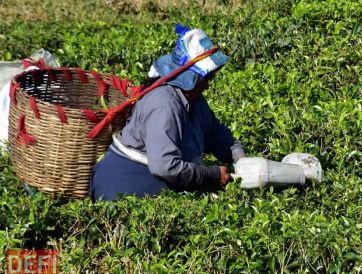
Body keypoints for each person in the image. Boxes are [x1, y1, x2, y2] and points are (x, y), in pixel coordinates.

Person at [90, 25, 246, 201]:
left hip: (155, 179)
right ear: (191, 78)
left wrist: (241, 160)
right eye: (205, 79)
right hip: (125, 185)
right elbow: (165, 167)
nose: (207, 86)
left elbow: (216, 134)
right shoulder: (164, 106)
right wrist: (211, 174)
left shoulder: (195, 99)